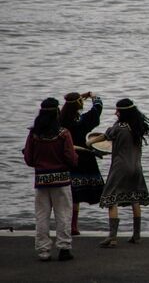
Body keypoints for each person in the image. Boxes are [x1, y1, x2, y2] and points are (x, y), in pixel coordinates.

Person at [86, 98, 149, 248]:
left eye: (118, 111)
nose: (116, 113)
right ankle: (136, 236)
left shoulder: (119, 126)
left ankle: (113, 237)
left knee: (111, 199)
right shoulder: (138, 126)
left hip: (120, 167)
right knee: (134, 198)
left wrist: (90, 142)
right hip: (136, 167)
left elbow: (105, 136)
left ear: (124, 112)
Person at [23, 97, 78, 261]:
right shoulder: (63, 133)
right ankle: (64, 248)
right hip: (61, 180)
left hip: (41, 180)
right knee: (63, 214)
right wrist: (76, 159)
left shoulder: (34, 134)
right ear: (56, 112)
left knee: (42, 215)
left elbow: (28, 159)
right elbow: (70, 158)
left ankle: (43, 251)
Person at [60, 91, 103, 235]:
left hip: (67, 157)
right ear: (80, 104)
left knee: (71, 194)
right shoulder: (83, 121)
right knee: (78, 194)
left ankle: (68, 224)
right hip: (85, 156)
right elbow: (98, 108)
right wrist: (93, 95)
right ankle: (74, 226)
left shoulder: (60, 120)